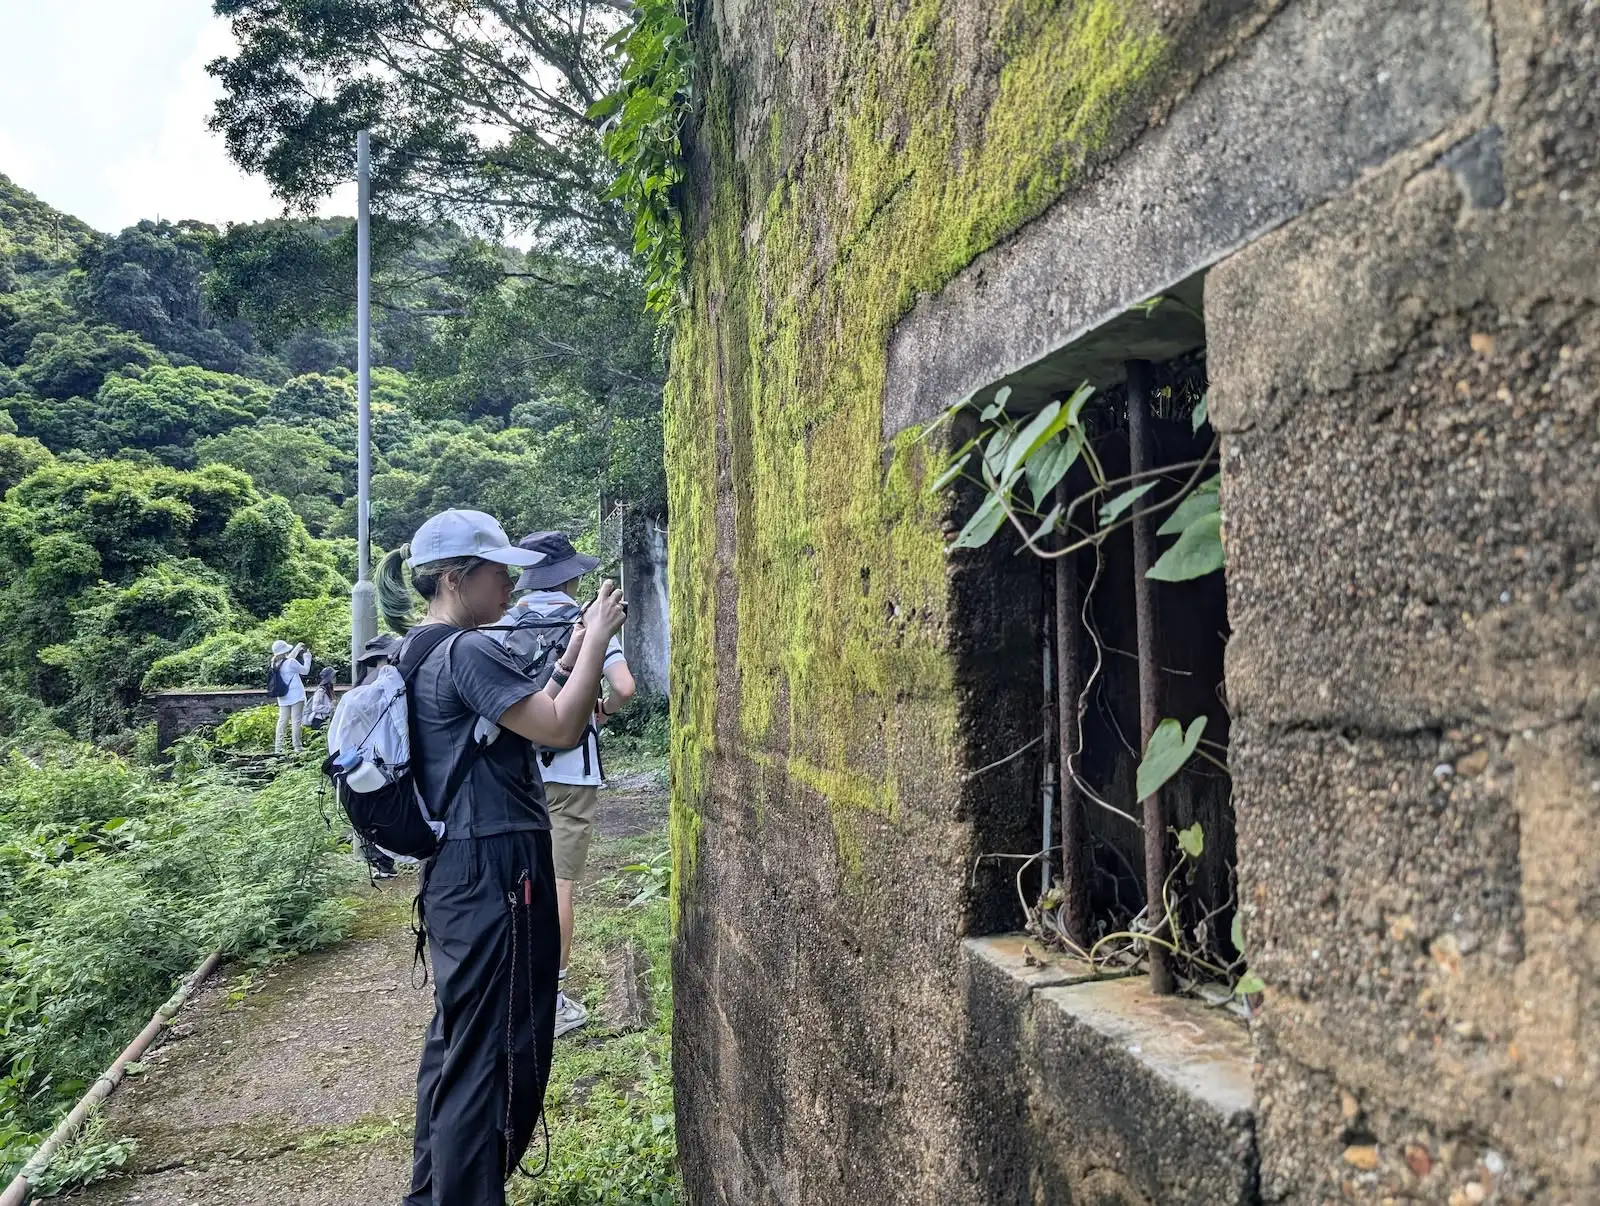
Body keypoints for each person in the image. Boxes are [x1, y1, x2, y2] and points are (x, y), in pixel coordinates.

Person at [374, 508, 625, 1206]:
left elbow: (525, 713)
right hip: (496, 873)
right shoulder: (468, 650)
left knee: (458, 1048)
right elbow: (563, 725)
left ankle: (432, 1195)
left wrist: (573, 656)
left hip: (460, 870)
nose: (511, 586)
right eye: (498, 573)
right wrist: (601, 637)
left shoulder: (419, 648)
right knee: (494, 1055)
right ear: (456, 579)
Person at [500, 531, 636, 1040]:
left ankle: (509, 986)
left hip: (514, 770)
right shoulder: (587, 621)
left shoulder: (503, 621)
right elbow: (623, 687)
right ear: (570, 576)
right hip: (570, 769)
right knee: (558, 881)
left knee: (514, 876)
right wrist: (600, 711)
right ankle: (551, 998)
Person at [269, 640, 311, 753]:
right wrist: (307, 657)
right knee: (296, 721)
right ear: (284, 651)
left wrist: (297, 648)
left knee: (282, 720)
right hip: (296, 695)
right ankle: (297, 746)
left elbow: (288, 661)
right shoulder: (291, 662)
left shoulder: (274, 663)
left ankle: (279, 747)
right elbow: (305, 671)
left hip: (283, 696)